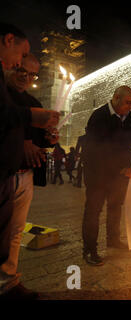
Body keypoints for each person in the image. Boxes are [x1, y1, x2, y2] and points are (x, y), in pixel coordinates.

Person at [0, 23, 59, 295]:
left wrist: (49, 139)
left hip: (24, 175)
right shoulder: (5, 94)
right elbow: (10, 121)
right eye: (22, 70)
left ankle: (8, 280)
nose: (25, 77)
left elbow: (39, 138)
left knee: (14, 232)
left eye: (32, 75)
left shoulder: (33, 100)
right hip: (5, 172)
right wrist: (25, 137)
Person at [82, 86, 131, 266]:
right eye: (127, 103)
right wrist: (119, 169)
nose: (130, 107)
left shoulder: (128, 117)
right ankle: (89, 249)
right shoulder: (99, 117)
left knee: (115, 207)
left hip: (119, 176)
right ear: (116, 98)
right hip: (98, 175)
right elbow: (97, 150)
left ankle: (113, 239)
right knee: (93, 211)